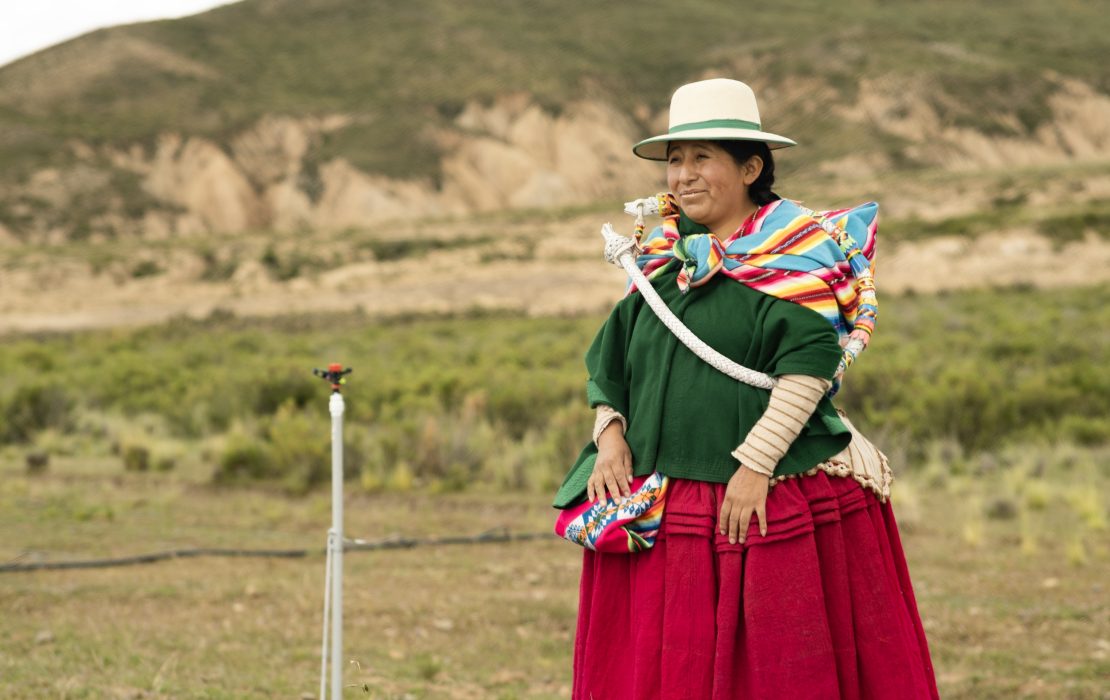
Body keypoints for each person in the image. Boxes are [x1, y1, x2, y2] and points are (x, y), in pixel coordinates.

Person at [553, 79, 939, 699]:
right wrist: (609, 434)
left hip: (762, 492)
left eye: (702, 158)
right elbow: (613, 361)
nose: (683, 176)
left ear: (751, 166)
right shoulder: (660, 262)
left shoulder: (794, 260)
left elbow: (809, 368)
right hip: (665, 503)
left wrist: (756, 465)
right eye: (675, 160)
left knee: (777, 665)